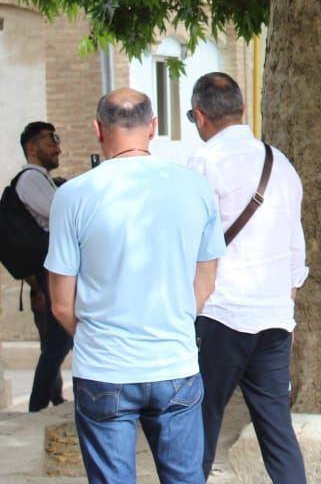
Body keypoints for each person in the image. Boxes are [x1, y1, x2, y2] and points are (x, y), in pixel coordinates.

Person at [45, 89, 225, 484]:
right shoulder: (195, 188)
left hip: (104, 369)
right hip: (174, 363)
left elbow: (60, 304)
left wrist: (98, 335)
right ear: (153, 127)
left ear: (97, 129)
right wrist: (171, 319)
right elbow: (207, 280)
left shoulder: (72, 195)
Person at [186, 72, 309, 484]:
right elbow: (296, 251)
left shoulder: (203, 163)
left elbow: (189, 244)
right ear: (241, 110)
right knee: (277, 431)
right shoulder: (281, 164)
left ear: (201, 117)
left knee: (199, 424)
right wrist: (284, 304)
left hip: (220, 313)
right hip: (274, 317)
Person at [15, 120, 72, 412]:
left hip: (51, 272)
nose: (57, 148)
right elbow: (61, 215)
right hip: (47, 275)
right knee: (58, 342)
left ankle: (48, 401)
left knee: (58, 342)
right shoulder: (30, 180)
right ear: (32, 147)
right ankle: (38, 407)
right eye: (51, 141)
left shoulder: (42, 180)